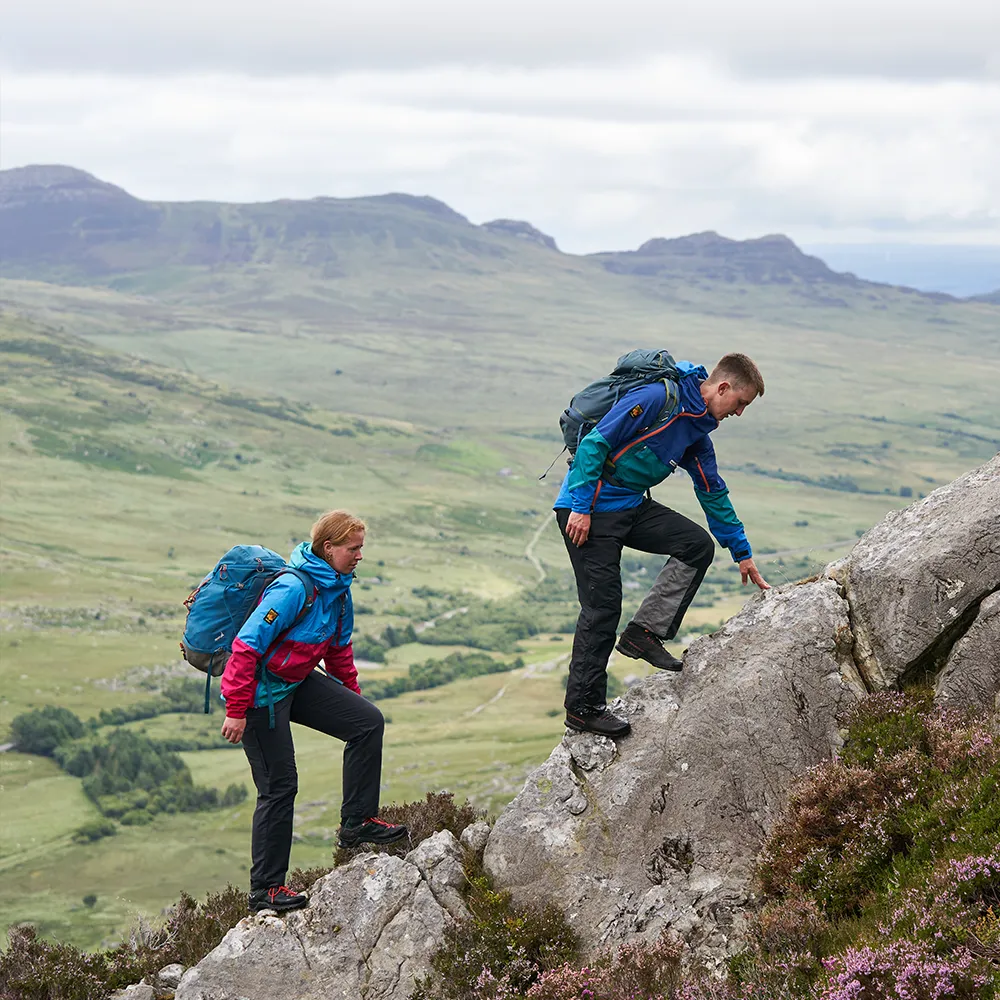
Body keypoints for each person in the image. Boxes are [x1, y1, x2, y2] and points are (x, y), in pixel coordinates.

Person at [554, 353, 771, 738]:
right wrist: (582, 508)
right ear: (723, 388)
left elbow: (713, 492)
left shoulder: (698, 432)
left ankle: (644, 634)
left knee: (696, 545)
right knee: (602, 607)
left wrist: (742, 552)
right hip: (586, 510)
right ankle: (583, 708)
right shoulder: (658, 398)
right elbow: (594, 445)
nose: (739, 413)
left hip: (628, 505)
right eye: (740, 403)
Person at [220, 510, 407, 913]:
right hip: (260, 694)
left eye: (361, 548)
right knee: (280, 785)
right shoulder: (292, 589)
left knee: (367, 722)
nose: (359, 556)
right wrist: (236, 708)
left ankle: (356, 824)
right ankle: (265, 890)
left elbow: (339, 649)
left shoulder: (339, 589)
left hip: (297, 680)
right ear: (329, 548)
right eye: (353, 548)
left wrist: (353, 700)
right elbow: (247, 647)